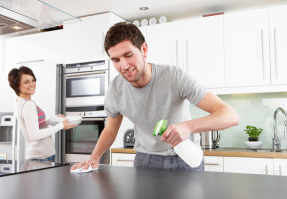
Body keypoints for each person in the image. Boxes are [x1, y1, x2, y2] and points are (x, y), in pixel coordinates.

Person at [71, 22, 239, 170]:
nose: (124, 66)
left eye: (128, 55)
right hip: (146, 160)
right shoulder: (115, 89)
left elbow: (230, 116)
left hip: (185, 157)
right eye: (115, 60)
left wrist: (188, 127)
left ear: (144, 49)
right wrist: (94, 157)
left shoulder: (174, 77)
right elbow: (110, 129)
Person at [8, 66, 77, 162]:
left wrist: (52, 119)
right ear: (17, 85)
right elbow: (34, 135)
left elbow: (34, 125)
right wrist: (61, 126)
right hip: (41, 157)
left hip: (39, 156)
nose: (32, 84)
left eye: (33, 80)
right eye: (26, 82)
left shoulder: (20, 101)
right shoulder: (28, 105)